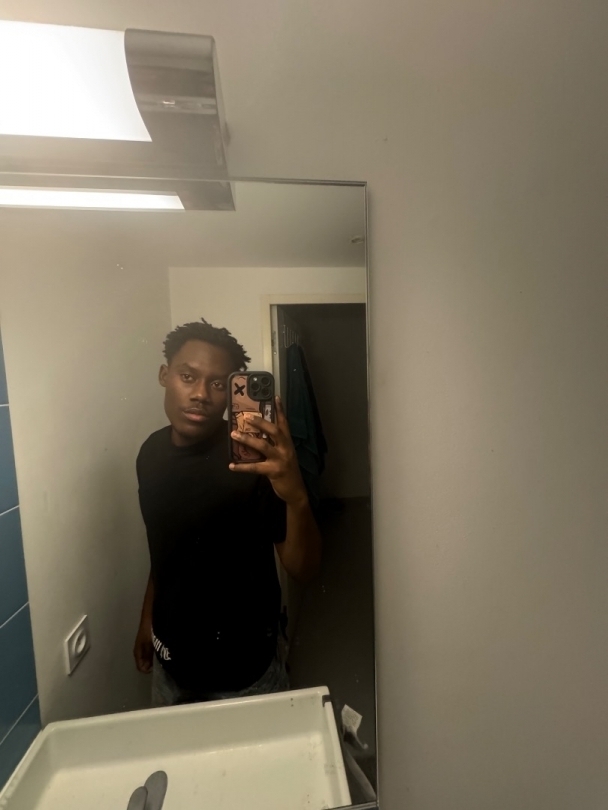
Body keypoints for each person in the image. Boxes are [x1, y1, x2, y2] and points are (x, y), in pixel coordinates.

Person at [133, 319, 322, 707]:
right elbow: (165, 546)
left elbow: (303, 569)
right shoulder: (149, 454)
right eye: (188, 376)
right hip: (170, 663)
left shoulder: (255, 462)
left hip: (245, 672)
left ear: (232, 393)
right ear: (165, 375)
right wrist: (147, 618)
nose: (201, 394)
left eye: (219, 384)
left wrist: (297, 497)